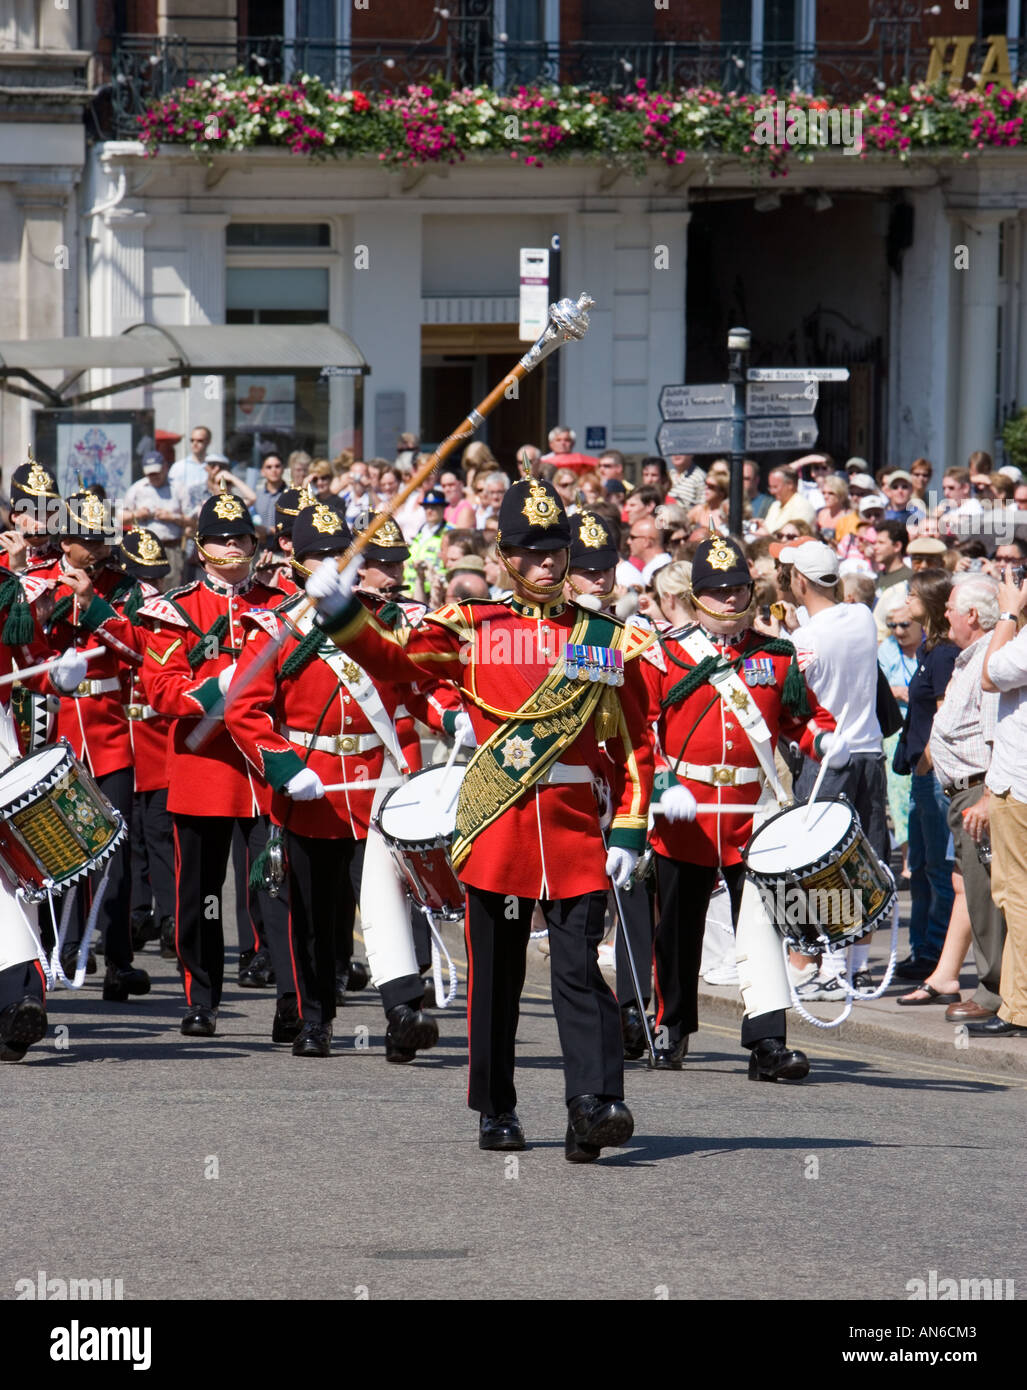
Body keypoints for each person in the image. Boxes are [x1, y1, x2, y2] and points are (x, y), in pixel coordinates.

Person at [308, 476, 655, 1161]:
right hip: (498, 825)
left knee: (578, 969)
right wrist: (342, 613)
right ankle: (496, 1107)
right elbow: (396, 663)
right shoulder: (471, 625)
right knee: (495, 979)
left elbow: (636, 745)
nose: (547, 563)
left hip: (574, 830)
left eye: (554, 549)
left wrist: (627, 828)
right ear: (503, 555)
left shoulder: (608, 638)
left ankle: (593, 1104)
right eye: (529, 551)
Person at [224, 498, 451, 1058]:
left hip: (378, 783)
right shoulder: (276, 627)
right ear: (297, 560)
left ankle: (402, 1012)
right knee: (313, 913)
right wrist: (283, 767)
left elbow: (419, 684)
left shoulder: (384, 620)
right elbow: (243, 709)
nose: (328, 560)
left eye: (337, 552)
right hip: (312, 787)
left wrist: (452, 714)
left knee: (386, 901)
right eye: (317, 553)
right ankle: (314, 1017)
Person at [643, 535, 817, 1077]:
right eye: (716, 591)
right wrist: (660, 783)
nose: (727, 599)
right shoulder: (666, 654)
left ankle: (767, 1040)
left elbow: (801, 721)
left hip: (752, 813)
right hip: (685, 812)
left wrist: (823, 738)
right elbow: (642, 728)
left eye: (736, 588)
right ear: (696, 597)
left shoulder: (775, 655)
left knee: (763, 924)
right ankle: (672, 1025)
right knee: (677, 926)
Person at [137, 489, 292, 1037]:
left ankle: (291, 1002)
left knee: (276, 887)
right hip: (204, 765)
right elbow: (161, 690)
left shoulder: (280, 604)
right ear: (201, 548)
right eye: (222, 540)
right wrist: (215, 688)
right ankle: (201, 998)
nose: (233, 547)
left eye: (242, 539)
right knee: (200, 894)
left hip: (266, 764)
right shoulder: (173, 609)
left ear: (255, 544)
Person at [776, 541, 890, 994]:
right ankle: (853, 964)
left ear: (799, 581)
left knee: (821, 862)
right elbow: (831, 628)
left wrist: (784, 632)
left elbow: (793, 698)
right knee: (866, 858)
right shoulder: (861, 616)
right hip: (869, 752)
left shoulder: (802, 642)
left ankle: (831, 963)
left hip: (827, 757)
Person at [896, 575, 1006, 1018]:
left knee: (984, 894)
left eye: (953, 608)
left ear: (973, 617)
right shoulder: (969, 656)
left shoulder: (990, 659)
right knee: (971, 887)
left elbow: (1002, 736)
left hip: (978, 790)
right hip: (961, 792)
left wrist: (987, 796)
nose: (945, 613)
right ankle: (988, 986)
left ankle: (995, 992)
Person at [898, 570, 959, 980]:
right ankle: (922, 949)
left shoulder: (943, 655)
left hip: (933, 775)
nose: (907, 601)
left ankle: (937, 951)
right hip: (921, 774)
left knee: (937, 868)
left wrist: (928, 765)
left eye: (913, 595)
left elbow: (945, 714)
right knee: (919, 867)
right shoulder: (928, 649)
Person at [974, 567, 1027, 1037]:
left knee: (1017, 897)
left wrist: (1009, 613)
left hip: (1021, 787)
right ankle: (1013, 1005)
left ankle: (1022, 1007)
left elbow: (991, 675)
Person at [877, 595, 921, 880]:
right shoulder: (886, 651)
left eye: (905, 624)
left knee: (922, 794)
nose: (898, 630)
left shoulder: (930, 649)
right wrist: (896, 691)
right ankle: (907, 858)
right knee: (899, 796)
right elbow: (876, 686)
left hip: (922, 729)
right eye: (892, 625)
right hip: (896, 732)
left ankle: (922, 853)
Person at [123, 452, 189, 587]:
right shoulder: (137, 488)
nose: (153, 477)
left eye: (156, 472)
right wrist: (137, 514)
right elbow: (121, 518)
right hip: (143, 547)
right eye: (150, 474)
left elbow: (192, 521)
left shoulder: (178, 488)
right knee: (144, 586)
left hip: (170, 547)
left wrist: (172, 517)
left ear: (165, 467)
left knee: (171, 587)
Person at [763, 466, 817, 534]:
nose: (772, 492)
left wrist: (765, 535)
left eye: (775, 487)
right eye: (770, 487)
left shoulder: (803, 506)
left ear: (790, 484)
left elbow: (793, 537)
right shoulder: (775, 505)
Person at [253, 452, 288, 534]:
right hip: (260, 544)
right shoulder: (256, 496)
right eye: (269, 467)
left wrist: (268, 531)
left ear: (283, 469)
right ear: (262, 471)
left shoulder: (291, 494)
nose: (274, 470)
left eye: (277, 466)